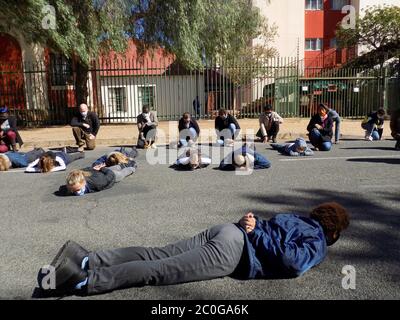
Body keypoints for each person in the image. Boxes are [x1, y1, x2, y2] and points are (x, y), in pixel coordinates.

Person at [36, 202, 350, 296]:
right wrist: (256, 234)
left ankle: (90, 258)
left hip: (228, 230)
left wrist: (250, 225)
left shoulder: (296, 217)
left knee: (156, 254)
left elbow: (265, 228)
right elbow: (291, 262)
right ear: (333, 230)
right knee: (158, 270)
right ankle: (80, 280)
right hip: (235, 251)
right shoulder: (318, 242)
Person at [62, 162, 136, 197]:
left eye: (77, 189)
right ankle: (122, 165)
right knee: (111, 169)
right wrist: (94, 168)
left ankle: (132, 167)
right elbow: (79, 171)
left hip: (111, 177)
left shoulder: (98, 183)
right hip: (99, 173)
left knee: (120, 174)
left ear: (84, 182)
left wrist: (102, 168)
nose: (75, 192)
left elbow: (109, 176)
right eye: (72, 190)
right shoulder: (72, 183)